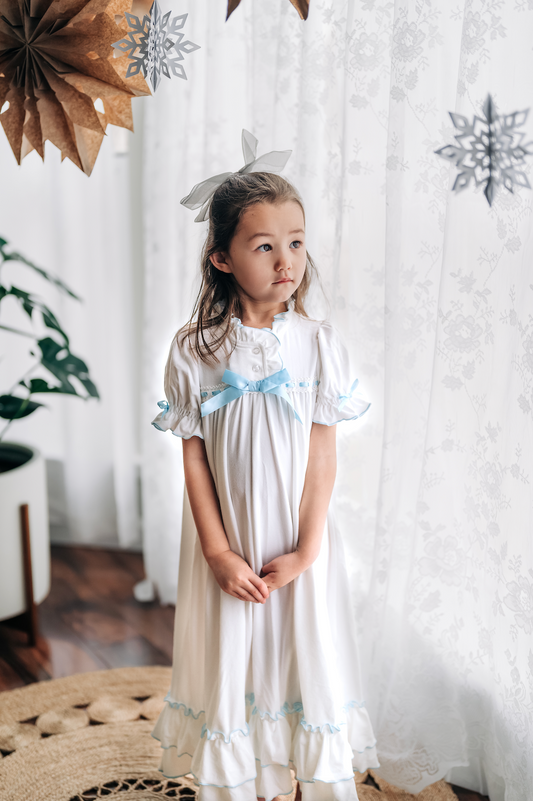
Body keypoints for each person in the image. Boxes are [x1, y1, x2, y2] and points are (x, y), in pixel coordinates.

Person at [151, 131, 379, 801]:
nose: (287, 260)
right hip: (232, 546)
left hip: (296, 546)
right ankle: (245, 781)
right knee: (236, 655)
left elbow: (322, 453)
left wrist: (308, 547)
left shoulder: (317, 343)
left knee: (300, 655)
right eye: (264, 245)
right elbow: (193, 459)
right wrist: (219, 553)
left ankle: (301, 778)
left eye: (297, 241)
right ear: (220, 257)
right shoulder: (194, 349)